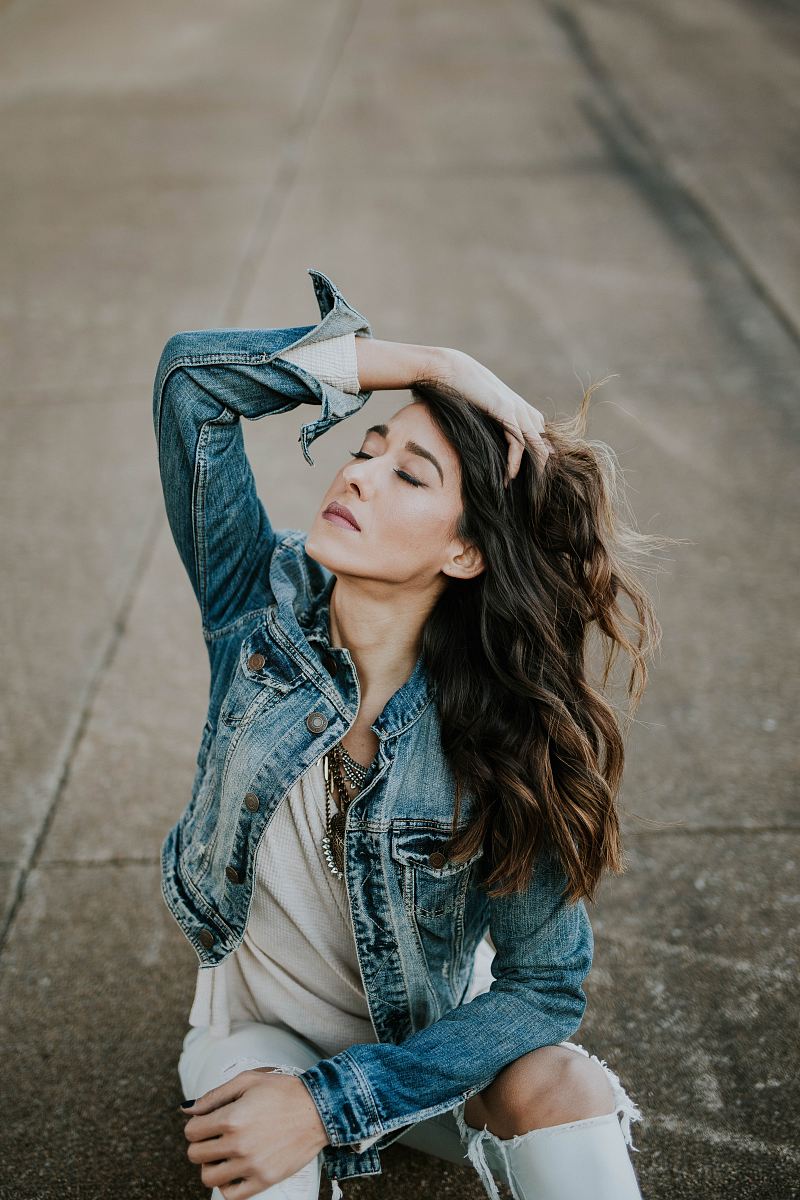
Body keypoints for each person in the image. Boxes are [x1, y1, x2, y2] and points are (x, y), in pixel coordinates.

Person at [152, 267, 660, 1200]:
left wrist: (338, 1102)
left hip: (416, 1058)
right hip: (258, 1041)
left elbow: (542, 989)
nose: (357, 472)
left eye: (407, 474)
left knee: (566, 1081)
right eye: (367, 448)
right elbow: (192, 384)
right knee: (261, 1139)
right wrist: (433, 364)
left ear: (464, 551)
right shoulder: (253, 614)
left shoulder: (502, 734)